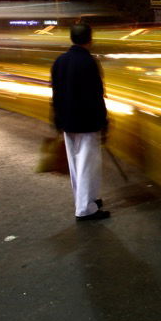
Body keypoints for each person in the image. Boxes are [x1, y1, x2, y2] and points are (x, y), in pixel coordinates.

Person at [51, 23, 110, 221]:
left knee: (76, 166)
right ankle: (85, 209)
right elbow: (96, 95)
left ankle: (87, 199)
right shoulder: (89, 62)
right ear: (90, 39)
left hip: (67, 120)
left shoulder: (59, 61)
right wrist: (104, 121)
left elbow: (55, 94)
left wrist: (57, 120)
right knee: (87, 164)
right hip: (87, 121)